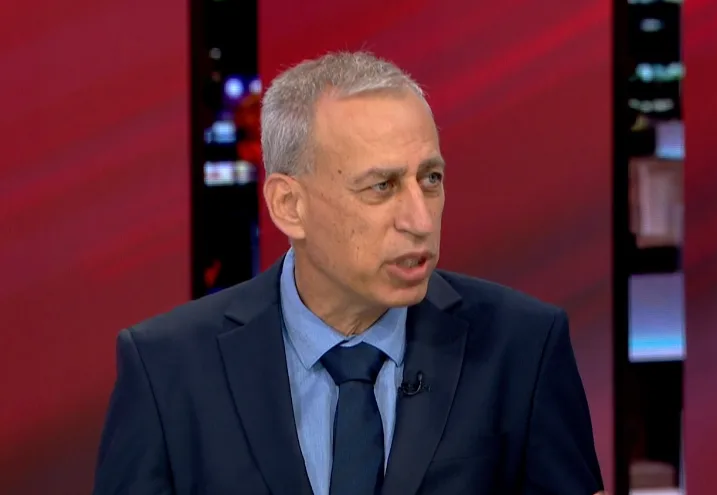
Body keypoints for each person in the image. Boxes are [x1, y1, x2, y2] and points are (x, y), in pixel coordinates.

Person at [93, 51, 604, 495]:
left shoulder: (523, 348)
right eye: (381, 186)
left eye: (430, 179)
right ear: (289, 205)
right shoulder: (167, 371)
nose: (420, 220)